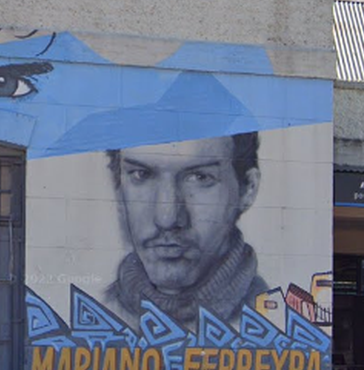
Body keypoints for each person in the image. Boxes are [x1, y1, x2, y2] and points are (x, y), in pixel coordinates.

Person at [105, 133, 266, 327]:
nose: (167, 218)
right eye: (141, 174)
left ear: (247, 189)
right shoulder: (94, 314)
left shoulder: (276, 320)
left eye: (200, 177)